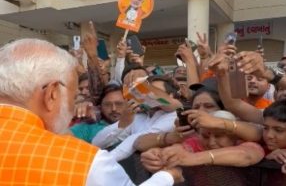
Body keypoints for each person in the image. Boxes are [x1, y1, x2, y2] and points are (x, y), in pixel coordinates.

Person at [0, 38, 182, 185]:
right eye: (73, 97)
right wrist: (168, 177)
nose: (73, 107)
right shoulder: (84, 162)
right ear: (52, 95)